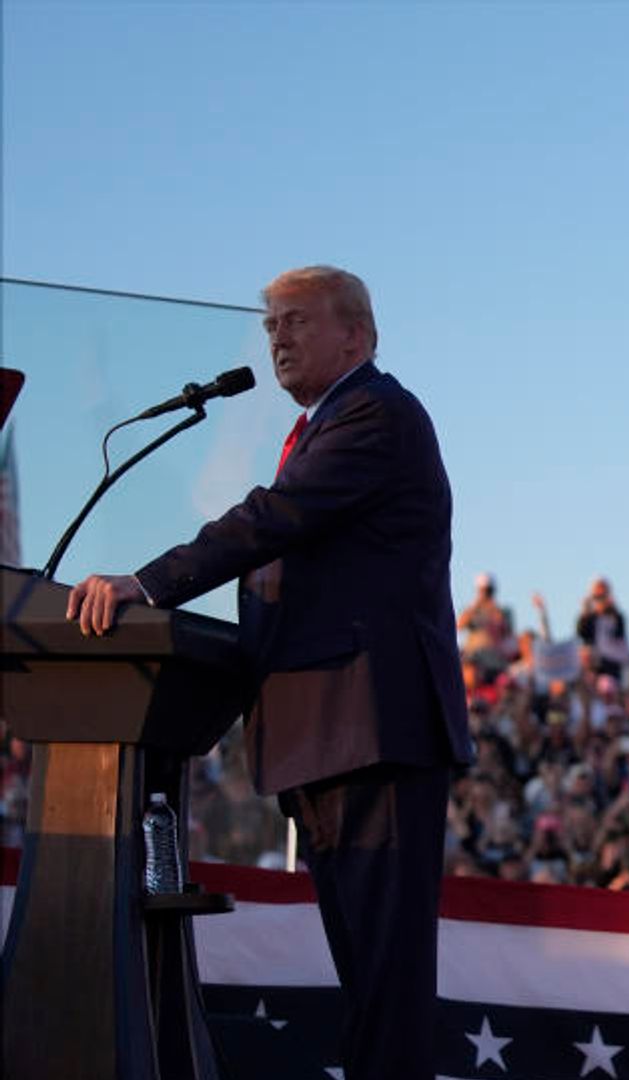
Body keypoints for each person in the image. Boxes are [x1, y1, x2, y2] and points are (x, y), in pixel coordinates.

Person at [66, 265, 471, 1079]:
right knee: (365, 977)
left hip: (373, 731)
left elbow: (271, 520)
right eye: (269, 325)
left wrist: (146, 584)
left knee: (385, 979)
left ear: (356, 334)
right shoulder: (330, 423)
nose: (276, 338)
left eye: (295, 321)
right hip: (327, 735)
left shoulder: (374, 415)